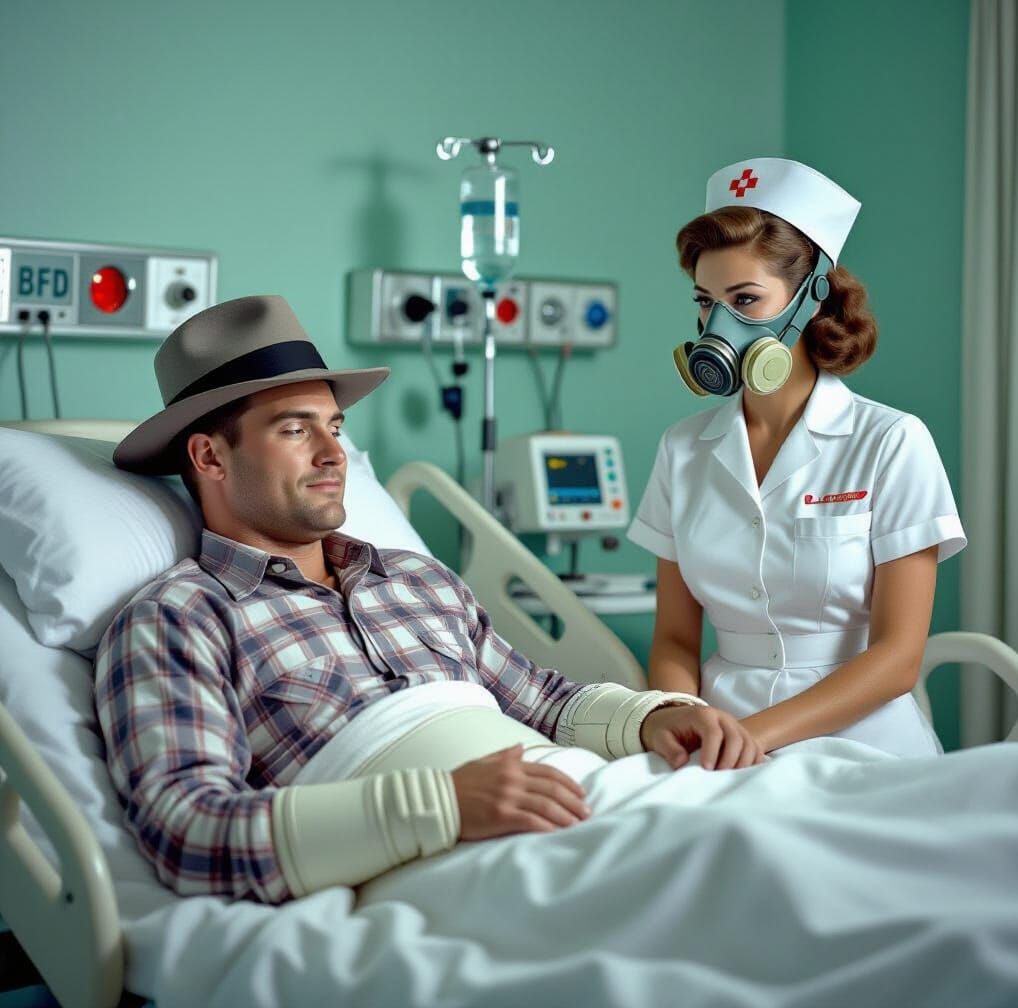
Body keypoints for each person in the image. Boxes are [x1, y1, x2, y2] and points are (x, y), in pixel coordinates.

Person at [94, 294, 766, 906]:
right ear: (210, 458)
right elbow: (186, 830)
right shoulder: (179, 618)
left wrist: (653, 717)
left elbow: (544, 700)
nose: (336, 454)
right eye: (296, 430)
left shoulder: (416, 577)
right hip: (466, 864)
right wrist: (440, 806)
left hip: (582, 795)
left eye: (335, 426)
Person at [628, 157, 966, 759]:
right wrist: (681, 721)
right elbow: (675, 639)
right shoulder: (682, 449)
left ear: (811, 298)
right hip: (714, 738)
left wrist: (750, 739)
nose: (718, 326)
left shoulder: (891, 442)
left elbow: (897, 659)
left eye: (746, 299)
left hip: (861, 743)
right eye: (706, 301)